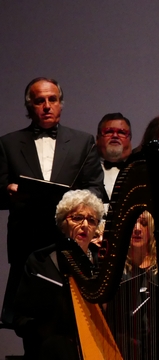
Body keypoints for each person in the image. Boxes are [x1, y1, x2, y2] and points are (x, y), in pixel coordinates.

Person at [0, 77, 104, 327]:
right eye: (39, 101)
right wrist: (9, 190)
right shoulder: (9, 143)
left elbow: (95, 188)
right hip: (27, 241)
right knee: (30, 322)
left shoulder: (83, 141)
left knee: (72, 318)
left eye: (52, 99)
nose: (47, 105)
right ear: (29, 107)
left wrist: (77, 206)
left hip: (70, 242)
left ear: (60, 103)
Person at [13, 190, 105, 359]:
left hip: (94, 345)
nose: (85, 225)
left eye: (91, 220)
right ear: (63, 222)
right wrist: (44, 326)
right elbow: (19, 318)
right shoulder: (39, 261)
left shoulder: (103, 264)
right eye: (77, 218)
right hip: (50, 348)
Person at [107, 210, 159, 360]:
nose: (137, 228)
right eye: (132, 223)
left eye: (143, 223)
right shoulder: (113, 267)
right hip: (124, 344)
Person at [96, 112, 133, 201]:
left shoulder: (140, 171)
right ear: (97, 139)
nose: (115, 136)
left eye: (121, 132)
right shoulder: (86, 171)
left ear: (130, 140)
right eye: (109, 131)